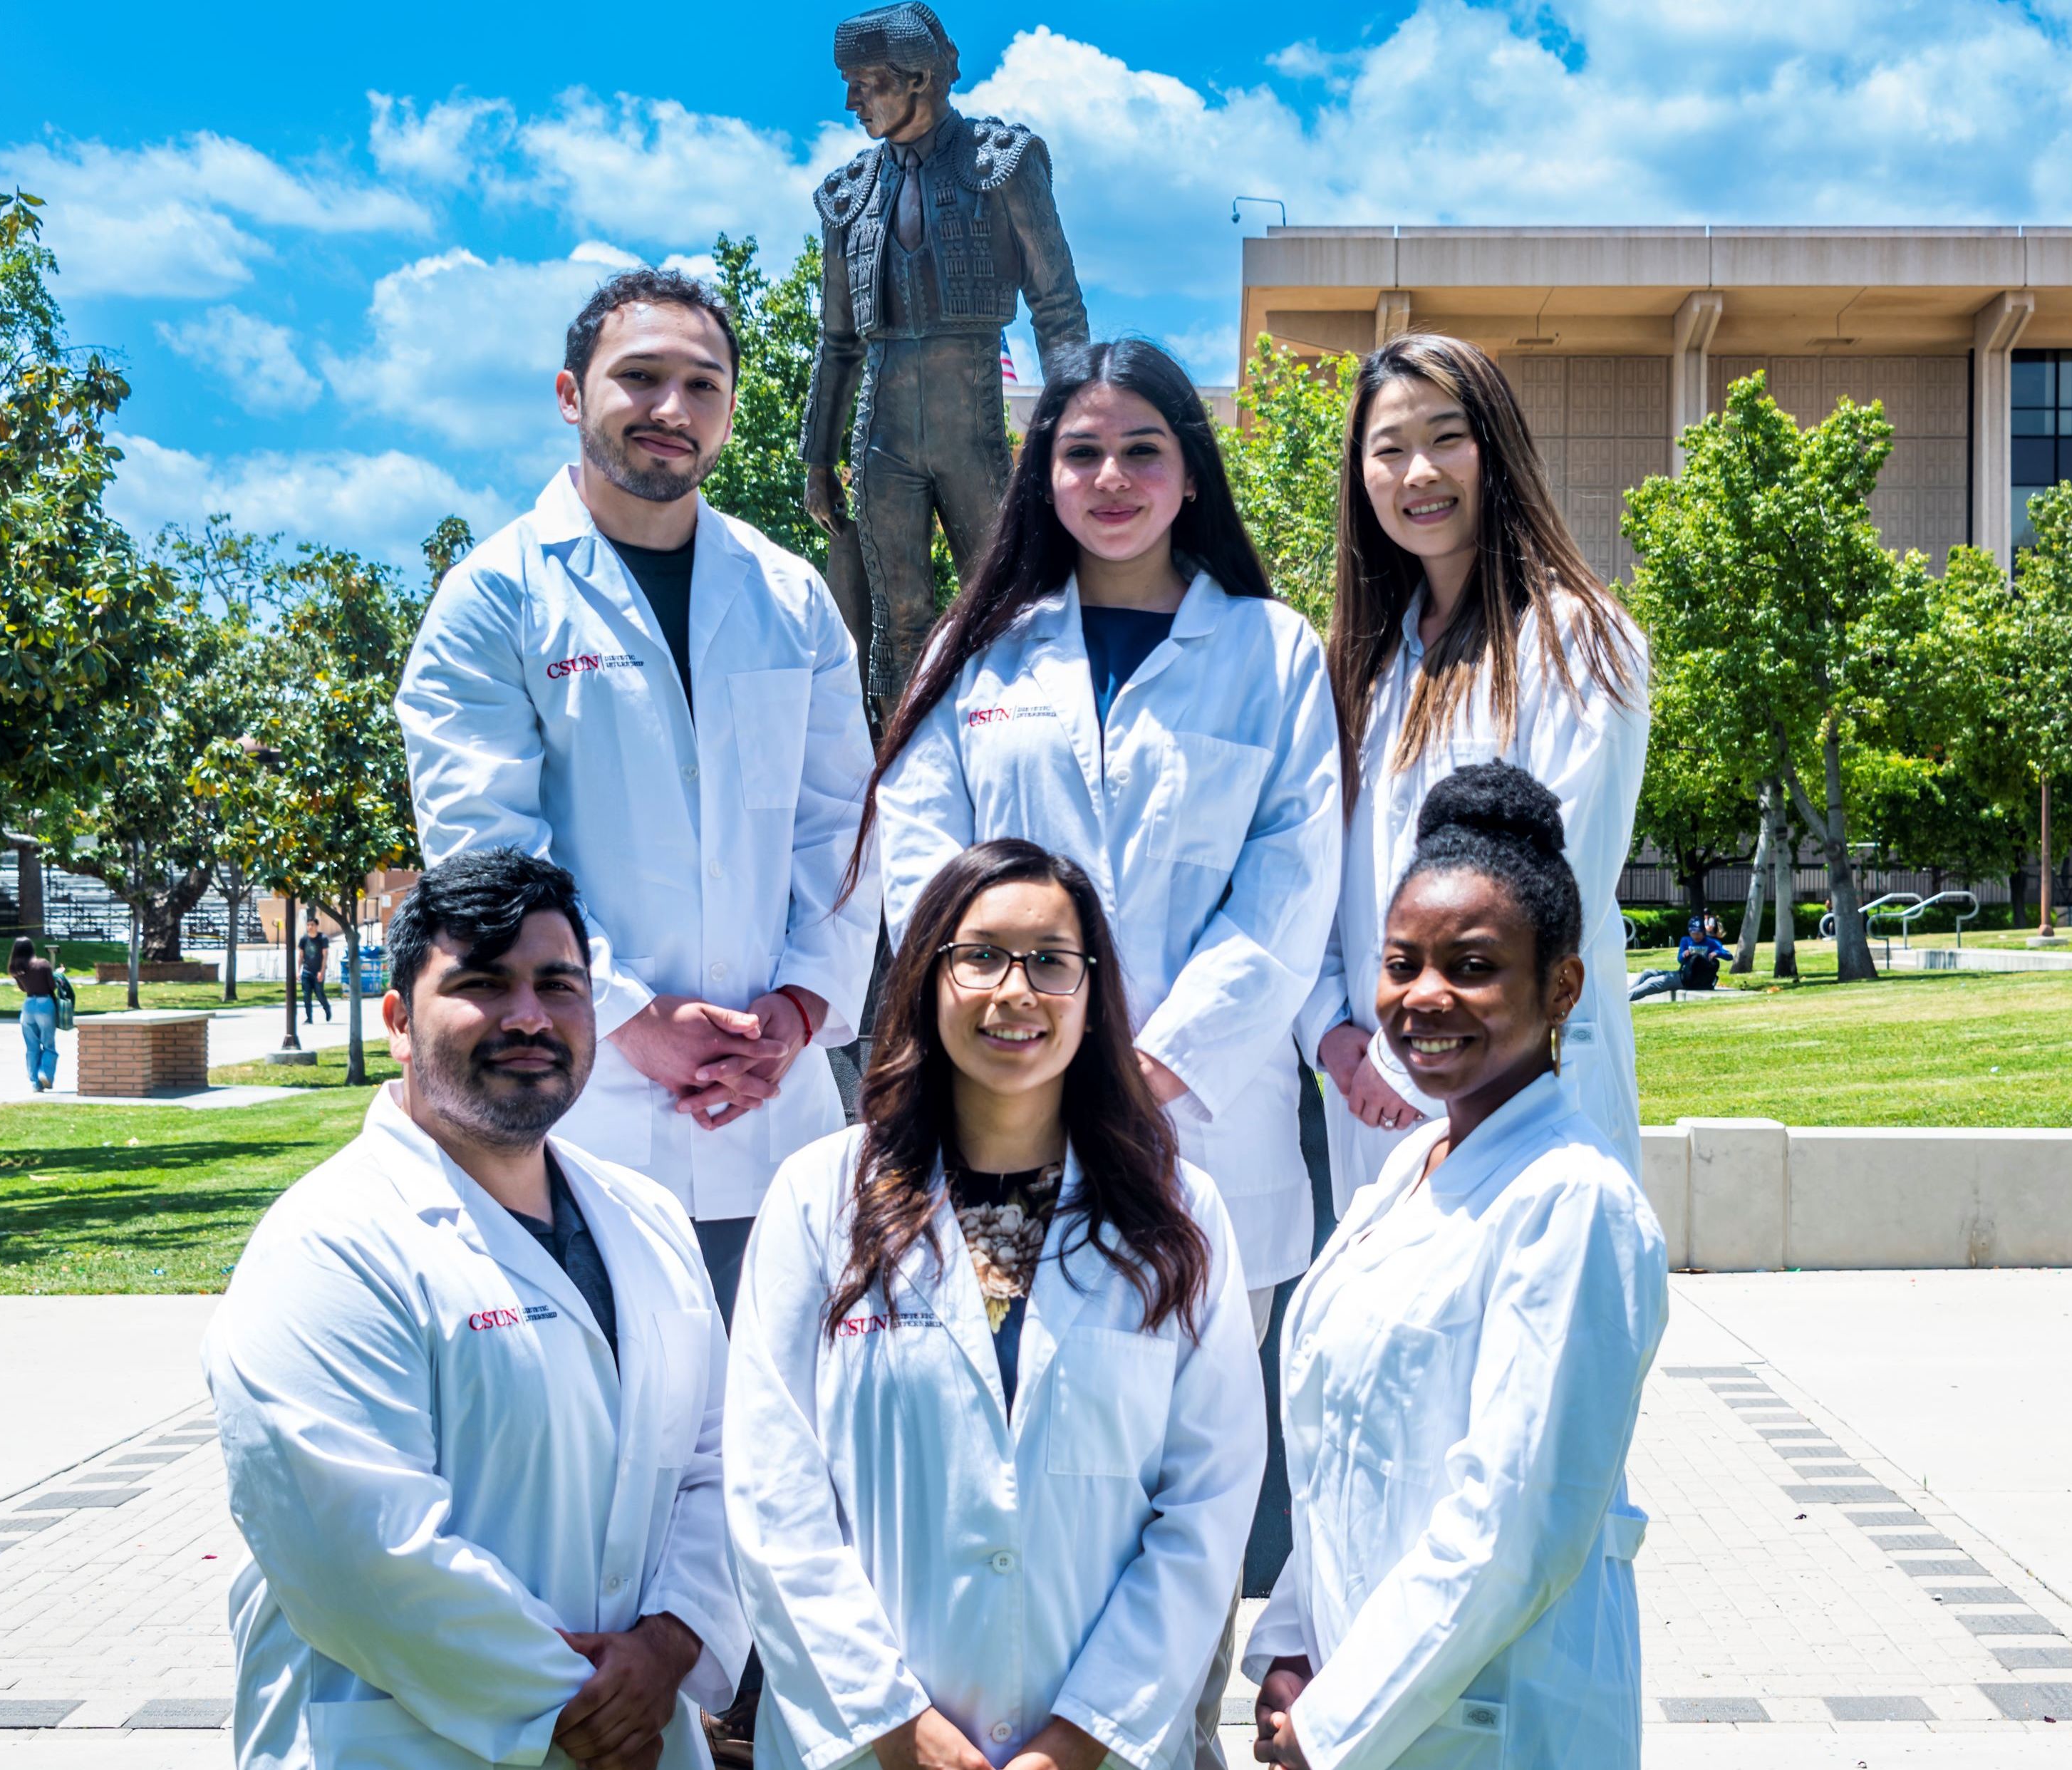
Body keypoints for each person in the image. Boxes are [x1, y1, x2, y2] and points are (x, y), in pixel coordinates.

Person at [401, 266, 880, 1322]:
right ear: (572, 395)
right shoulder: (495, 598)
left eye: (703, 385)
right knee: (600, 1433)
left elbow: (841, 825)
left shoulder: (788, 597)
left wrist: (801, 1009)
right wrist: (630, 1016)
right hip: (586, 1110)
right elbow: (487, 853)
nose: (673, 410)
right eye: (641, 378)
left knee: (779, 1432)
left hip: (774, 1105)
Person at [204, 847, 747, 1770]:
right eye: (484, 984)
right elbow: (361, 1559)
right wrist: (581, 1705)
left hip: (643, 1732)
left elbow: (720, 1468)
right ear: (397, 1024)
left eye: (558, 984)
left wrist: (669, 1647)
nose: (528, 1016)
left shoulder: (649, 1221)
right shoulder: (328, 1246)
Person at [728, 839, 1263, 1770]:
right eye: (980, 956)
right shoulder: (819, 1199)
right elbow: (774, 1498)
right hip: (869, 1749)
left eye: (1052, 961)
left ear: (1092, 997)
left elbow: (1206, 1511)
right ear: (928, 977)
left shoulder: (1177, 1216)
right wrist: (901, 1731)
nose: (1016, 991)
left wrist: (1081, 1740)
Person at [871, 337, 1340, 1330]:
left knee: (1197, 1454)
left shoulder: (1273, 652)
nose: (1111, 478)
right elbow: (924, 873)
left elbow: (1288, 889)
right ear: (1043, 477)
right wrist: (1034, 1043)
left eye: (1144, 449)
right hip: (1005, 1099)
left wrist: (1151, 1067)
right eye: (1081, 453)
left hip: (1205, 1118)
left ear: (1192, 474)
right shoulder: (976, 649)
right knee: (1012, 1426)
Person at [1245, 764, 1669, 1770]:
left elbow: (1516, 1521)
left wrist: (1338, 1716)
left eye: (1473, 966)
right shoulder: (1404, 1175)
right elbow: (1338, 1446)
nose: (1425, 996)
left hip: (1499, 1723)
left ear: (1561, 985)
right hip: (1367, 1701)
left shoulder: (1573, 1202)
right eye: (1402, 963)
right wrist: (1294, 1643)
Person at [1297, 333, 1652, 1216]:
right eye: (1389, 449)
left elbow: (1554, 885)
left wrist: (1394, 1051)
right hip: (1372, 1109)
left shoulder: (1577, 641)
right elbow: (1308, 872)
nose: (1419, 471)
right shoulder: (1358, 669)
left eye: (1446, 437)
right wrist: (1330, 1034)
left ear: (1498, 450)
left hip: (1520, 1093)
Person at [804, 1, 1089, 713]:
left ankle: (1016, 742)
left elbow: (1057, 309)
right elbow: (837, 341)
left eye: (865, 82)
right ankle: (901, 769)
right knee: (897, 619)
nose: (849, 101)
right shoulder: (848, 197)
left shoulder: (1005, 166)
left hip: (973, 427)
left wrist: (1078, 435)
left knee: (1004, 604)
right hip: (883, 435)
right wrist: (816, 459)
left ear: (919, 81)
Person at [9, 936, 63, 1092]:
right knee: (48, 1045)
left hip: (28, 1006)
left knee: (32, 1047)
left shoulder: (16, 969)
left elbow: (24, 989)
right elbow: (51, 986)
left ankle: (35, 1083)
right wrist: (57, 975)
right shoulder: (43, 964)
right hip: (44, 1004)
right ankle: (44, 1073)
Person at [299, 925, 333, 1023]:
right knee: (306, 996)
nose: (310, 927)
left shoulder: (322, 938)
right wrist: (298, 971)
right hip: (306, 971)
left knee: (319, 994)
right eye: (308, 925)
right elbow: (301, 956)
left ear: (317, 926)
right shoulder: (304, 939)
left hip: (318, 971)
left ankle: (327, 1009)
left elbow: (325, 955)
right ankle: (309, 1018)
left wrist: (322, 971)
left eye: (312, 925)